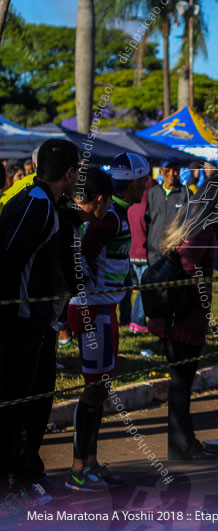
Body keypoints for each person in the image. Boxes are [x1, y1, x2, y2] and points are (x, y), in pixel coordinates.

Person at [22, 167, 113, 505]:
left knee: (41, 399)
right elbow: (69, 275)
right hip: (31, 320)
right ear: (100, 201)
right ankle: (21, 481)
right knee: (28, 403)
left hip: (46, 319)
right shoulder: (60, 219)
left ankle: (33, 473)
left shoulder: (66, 217)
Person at [0, 139, 79, 506]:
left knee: (28, 401)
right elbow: (8, 258)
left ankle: (22, 476)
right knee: (12, 407)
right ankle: (8, 489)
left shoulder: (46, 201)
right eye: (77, 171)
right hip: (18, 322)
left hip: (33, 322)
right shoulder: (36, 205)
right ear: (68, 173)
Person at [66, 153, 150, 492]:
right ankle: (78, 469)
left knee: (99, 390)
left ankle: (91, 464)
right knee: (93, 391)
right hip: (94, 309)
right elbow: (80, 254)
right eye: (144, 181)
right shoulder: (109, 216)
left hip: (104, 308)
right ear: (133, 183)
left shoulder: (115, 211)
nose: (147, 186)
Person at [149, 175, 218, 461]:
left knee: (180, 383)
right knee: (182, 384)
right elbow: (188, 261)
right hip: (185, 317)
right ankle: (182, 445)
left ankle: (185, 442)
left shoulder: (190, 217)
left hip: (177, 315)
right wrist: (200, 293)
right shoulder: (202, 228)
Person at [126, 176, 159, 333]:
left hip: (130, 252)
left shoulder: (132, 205)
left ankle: (133, 320)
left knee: (139, 288)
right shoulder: (148, 205)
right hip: (144, 253)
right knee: (144, 289)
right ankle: (137, 321)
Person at [145, 158, 189, 266]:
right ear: (160, 172)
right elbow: (147, 220)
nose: (171, 173)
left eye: (175, 170)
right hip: (154, 253)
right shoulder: (152, 193)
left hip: (176, 253)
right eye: (167, 170)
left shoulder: (185, 194)